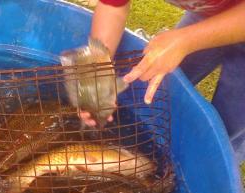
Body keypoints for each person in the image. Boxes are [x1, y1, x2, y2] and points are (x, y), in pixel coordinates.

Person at [81, 0, 245, 162]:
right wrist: (98, 73)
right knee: (160, 86)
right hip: (207, 12)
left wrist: (186, 40)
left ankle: (214, 168)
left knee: (227, 126)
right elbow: (113, 6)